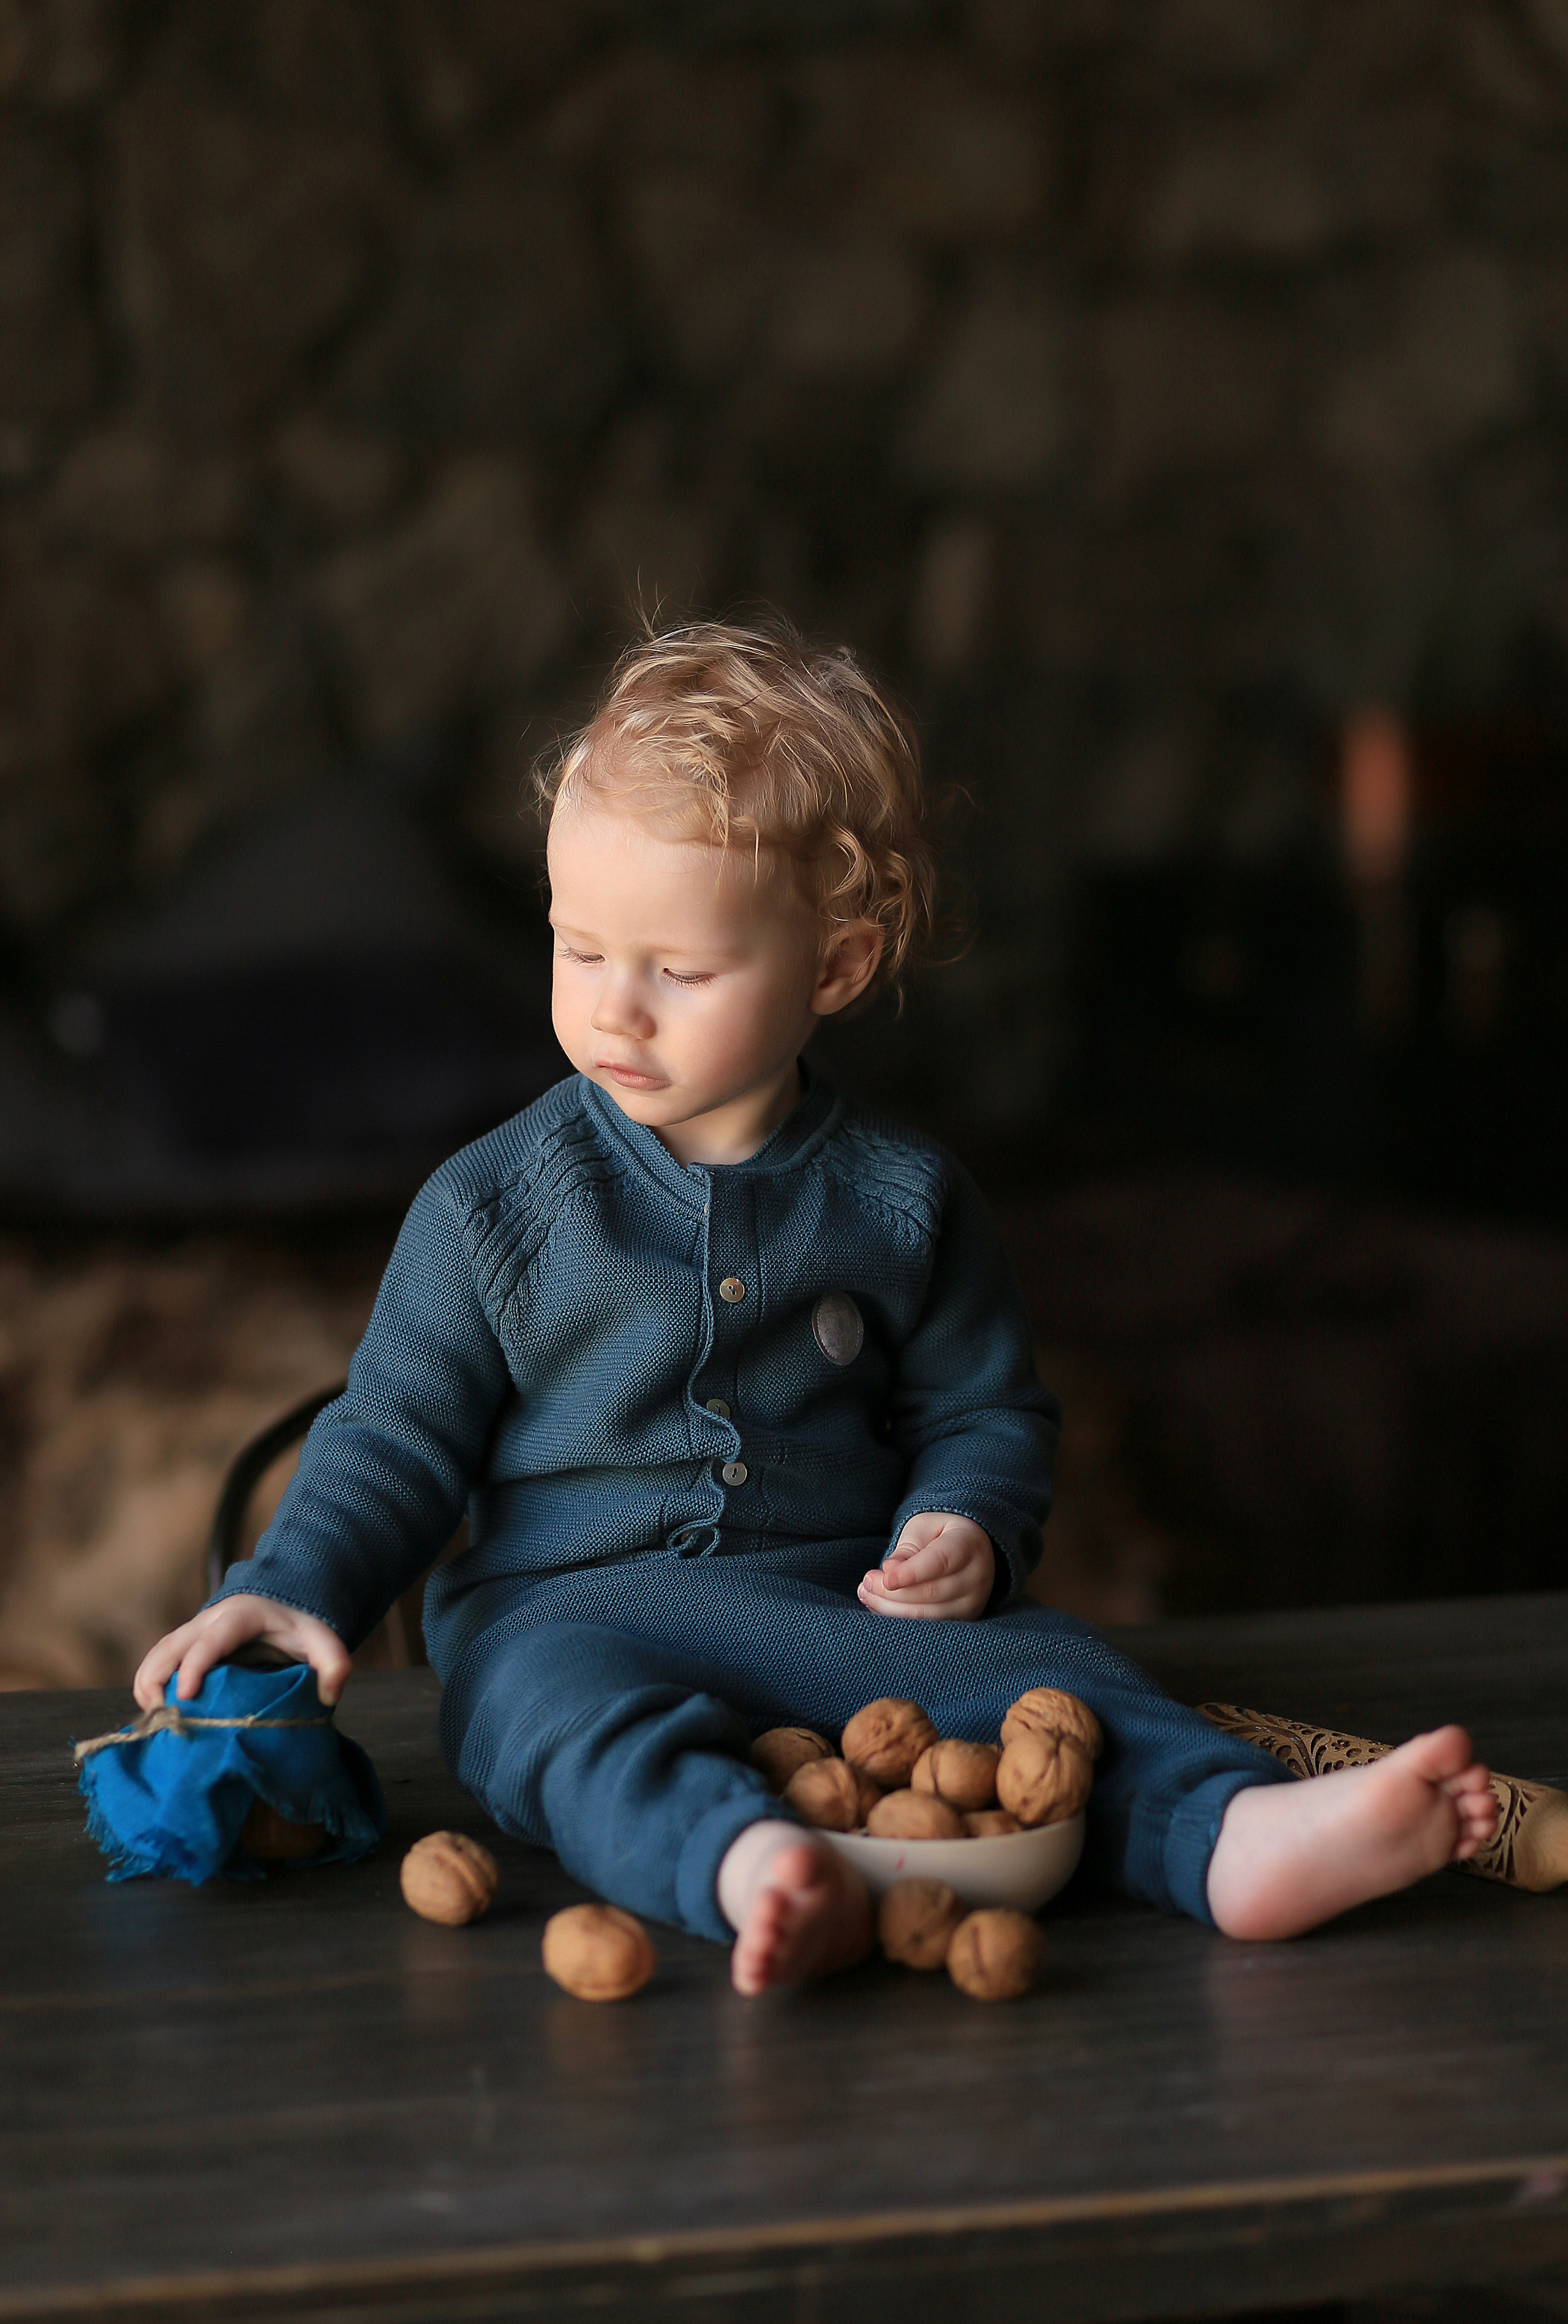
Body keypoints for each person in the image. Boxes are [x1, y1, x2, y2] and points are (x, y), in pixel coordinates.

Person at [134, 621, 1498, 1992]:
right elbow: (393, 1436)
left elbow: (984, 1412)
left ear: (834, 968)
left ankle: (1232, 1837)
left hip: (841, 1612)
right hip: (567, 1615)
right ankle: (745, 1866)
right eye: (578, 949)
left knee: (1061, 1679)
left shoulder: (904, 1200)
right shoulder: (489, 1207)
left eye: (680, 971)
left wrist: (965, 1522)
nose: (616, 1012)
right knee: (548, 1722)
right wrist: (292, 1588)